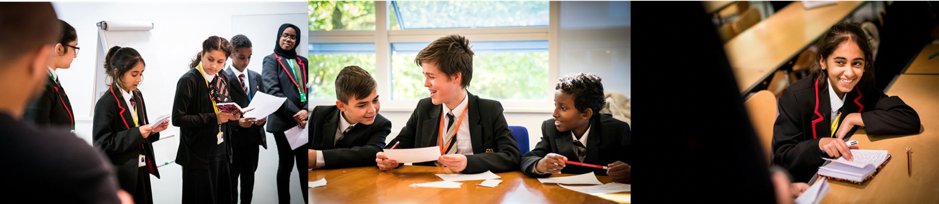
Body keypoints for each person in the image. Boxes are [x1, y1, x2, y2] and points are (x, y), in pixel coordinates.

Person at [0, 2, 131, 203]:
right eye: (74, 48)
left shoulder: (53, 82)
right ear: (55, 49)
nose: (75, 55)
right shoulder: (74, 160)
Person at [773, 22, 922, 183]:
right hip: (808, 183)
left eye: (857, 63)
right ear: (822, 61)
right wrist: (819, 145)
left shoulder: (862, 88)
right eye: (840, 62)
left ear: (866, 64)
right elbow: (782, 157)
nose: (849, 73)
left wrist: (855, 118)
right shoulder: (795, 97)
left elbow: (909, 118)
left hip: (844, 177)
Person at [375, 34, 520, 173]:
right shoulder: (424, 108)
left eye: (431, 76)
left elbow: (511, 156)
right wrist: (389, 159)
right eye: (424, 76)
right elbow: (398, 145)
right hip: (430, 191)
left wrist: (468, 162)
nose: (425, 84)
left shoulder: (489, 110)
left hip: (474, 191)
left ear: (456, 76)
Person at [519, 73, 631, 183]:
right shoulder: (551, 128)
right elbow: (527, 159)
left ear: (586, 113)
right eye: (555, 105)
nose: (554, 114)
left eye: (563, 108)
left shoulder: (616, 130)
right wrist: (540, 165)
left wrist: (629, 172)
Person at [93, 45, 171, 204]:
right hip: (121, 174)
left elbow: (141, 128)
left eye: (141, 74)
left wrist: (153, 130)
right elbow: (101, 144)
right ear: (117, 72)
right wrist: (137, 133)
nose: (138, 79)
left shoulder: (137, 95)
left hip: (141, 169)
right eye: (134, 74)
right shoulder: (106, 103)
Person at [173, 35, 242, 204]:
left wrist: (233, 116)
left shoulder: (223, 77)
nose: (214, 66)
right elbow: (178, 118)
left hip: (221, 151)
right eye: (210, 59)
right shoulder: (188, 80)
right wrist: (214, 118)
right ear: (202, 54)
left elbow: (223, 108)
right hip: (198, 156)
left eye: (220, 62)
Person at [261, 23, 308, 204]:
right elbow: (272, 91)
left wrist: (305, 111)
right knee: (286, 165)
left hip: (303, 121)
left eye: (293, 37)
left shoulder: (304, 61)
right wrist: (296, 113)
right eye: (285, 35)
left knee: (304, 166)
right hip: (284, 120)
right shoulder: (270, 60)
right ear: (279, 36)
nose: (288, 39)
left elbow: (309, 90)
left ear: (297, 41)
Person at [309, 66, 391, 169]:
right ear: (341, 106)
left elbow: (373, 152)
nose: (372, 110)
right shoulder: (319, 114)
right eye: (362, 105)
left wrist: (319, 157)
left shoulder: (380, 124)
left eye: (375, 100)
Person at [224, 34, 266, 204]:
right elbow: (220, 112)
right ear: (231, 54)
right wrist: (237, 122)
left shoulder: (257, 77)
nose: (246, 62)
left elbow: (263, 104)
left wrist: (263, 118)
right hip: (232, 141)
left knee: (249, 183)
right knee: (231, 184)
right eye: (241, 57)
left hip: (252, 139)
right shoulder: (223, 78)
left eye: (249, 57)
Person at [24, 19, 78, 131]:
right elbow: (37, 135)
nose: (75, 56)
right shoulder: (41, 85)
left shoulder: (51, 80)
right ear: (59, 49)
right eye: (75, 48)